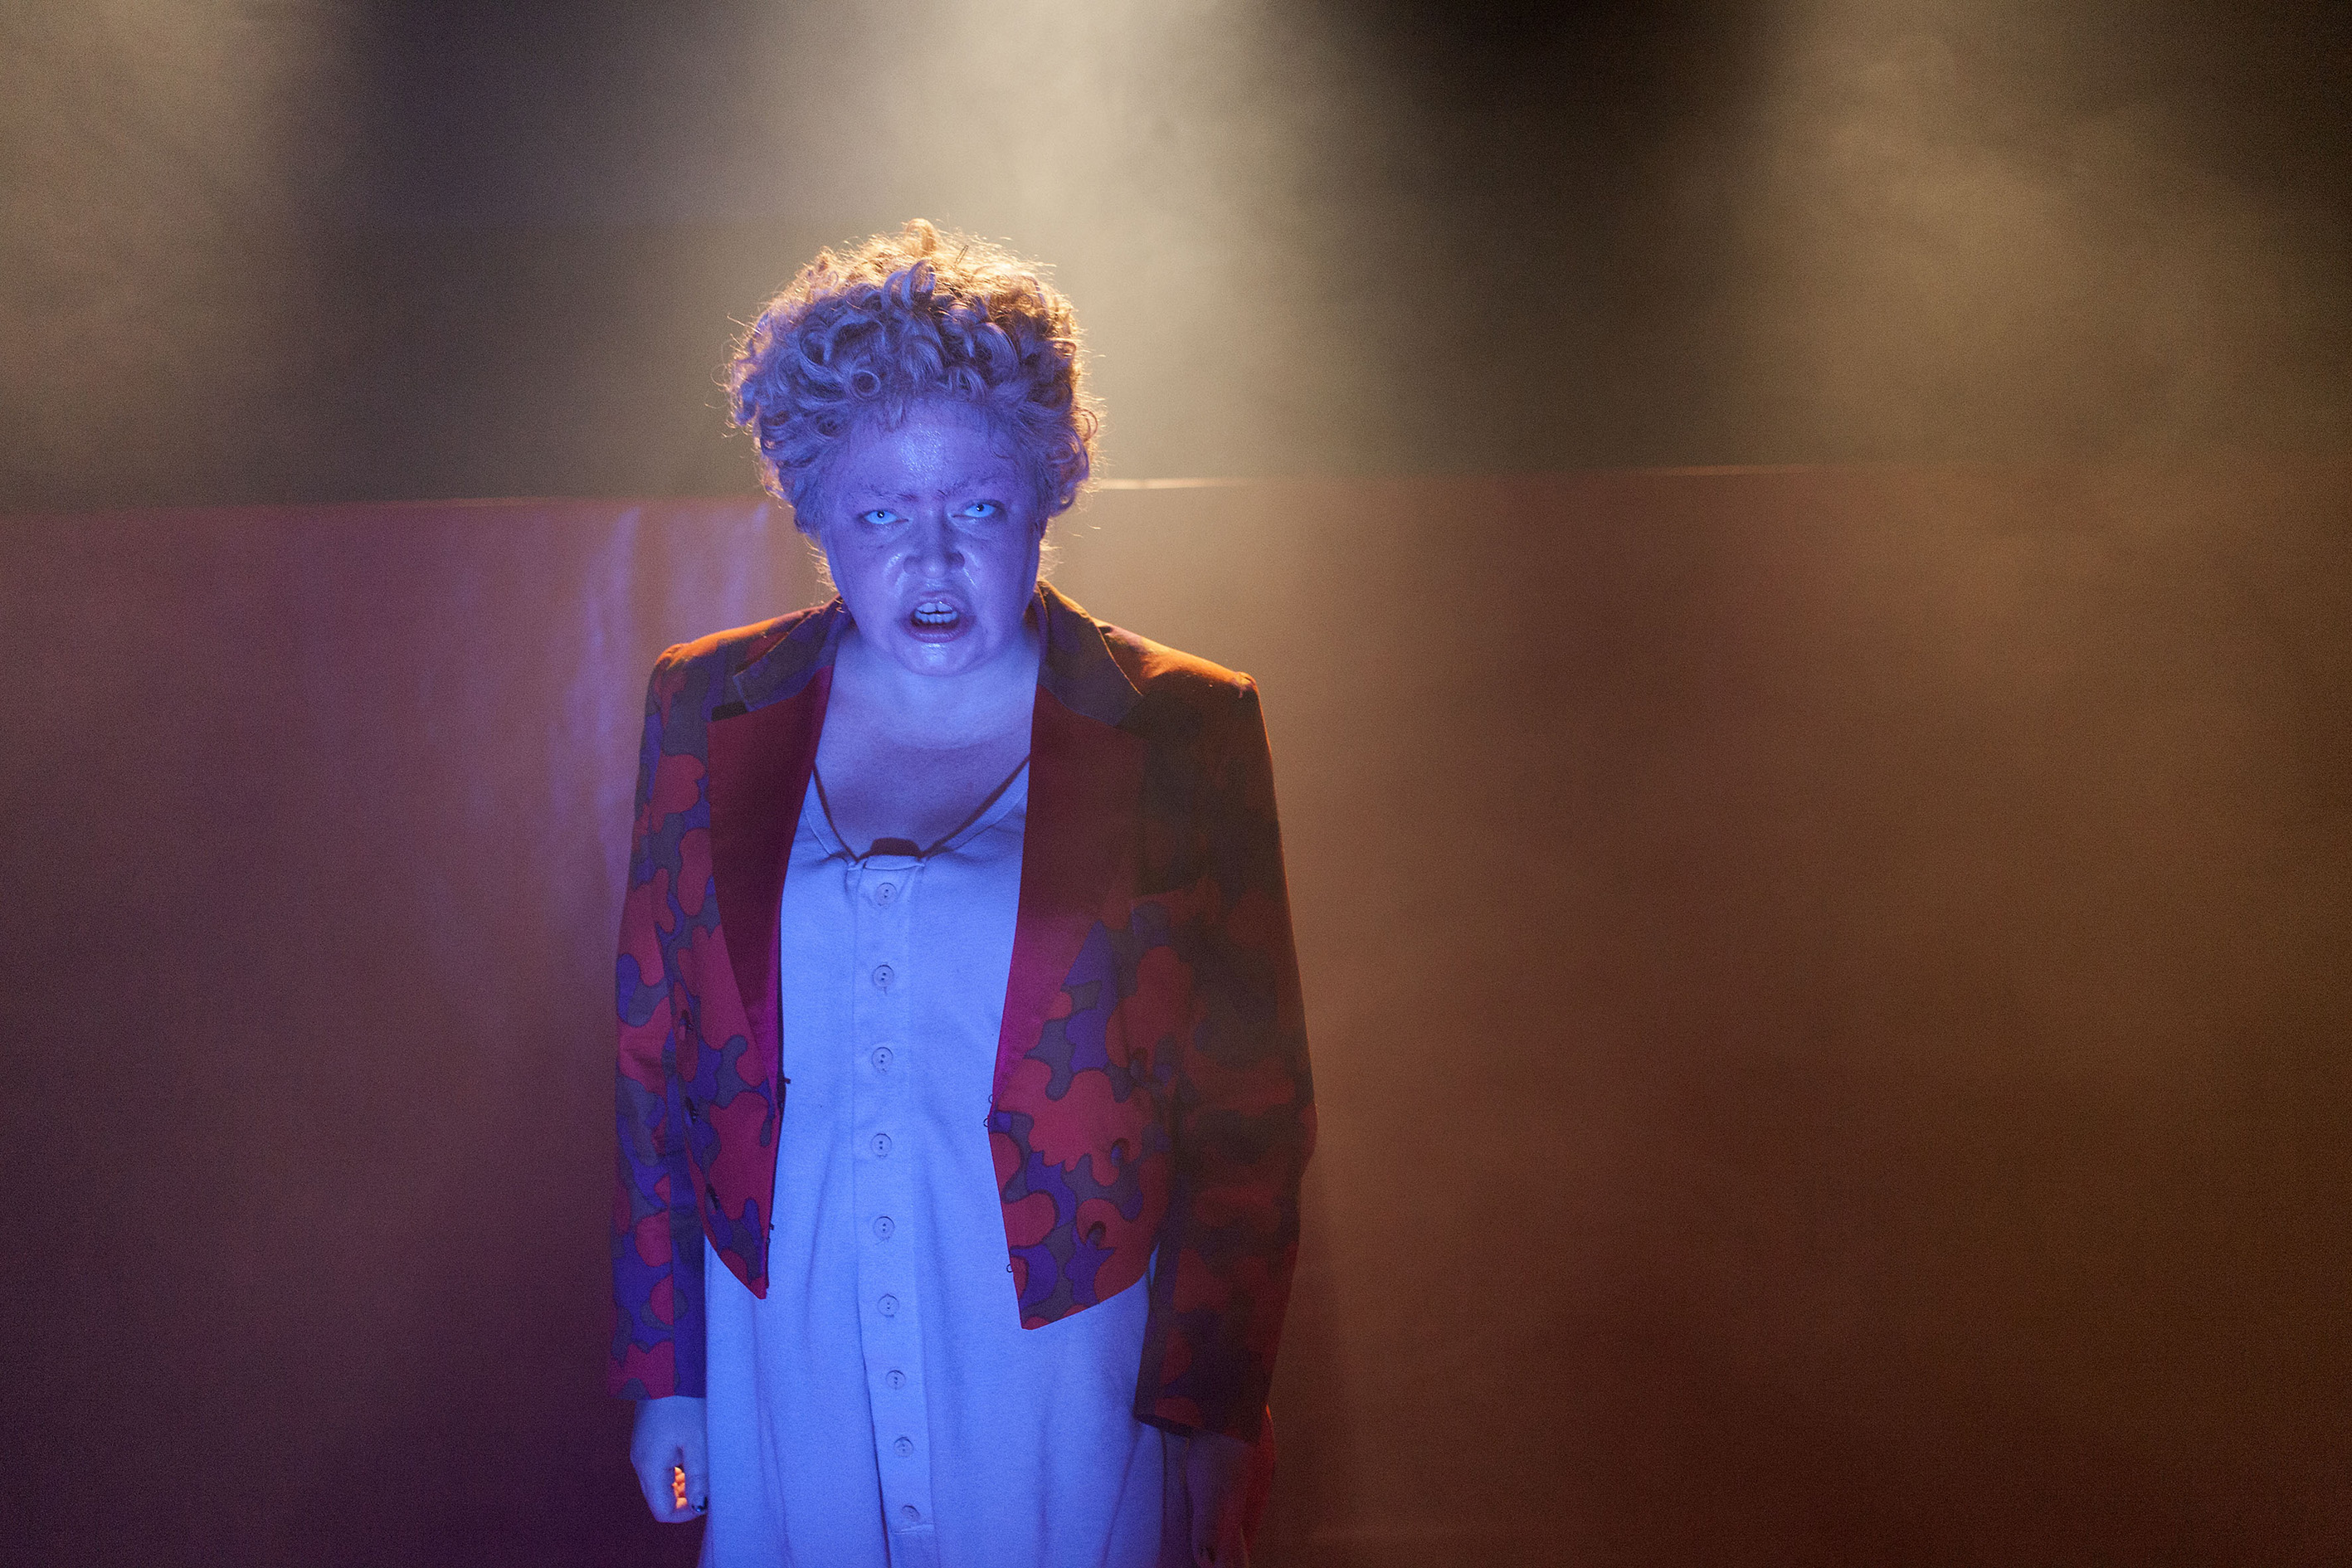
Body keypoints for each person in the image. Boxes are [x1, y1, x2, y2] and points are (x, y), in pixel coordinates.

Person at [607, 221, 1314, 1568]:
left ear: (1044, 497)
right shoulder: (704, 707)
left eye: (977, 508)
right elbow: (657, 1065)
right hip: (785, 1343)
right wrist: (670, 1373)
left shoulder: (1183, 726)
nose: (931, 561)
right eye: (881, 514)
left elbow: (1251, 1119)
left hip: (1066, 1363)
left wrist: (1214, 1418)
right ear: (816, 514)